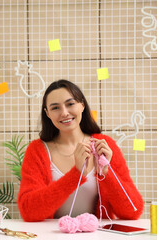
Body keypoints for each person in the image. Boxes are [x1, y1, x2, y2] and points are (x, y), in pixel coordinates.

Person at [17, 79, 144, 222]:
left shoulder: (105, 146)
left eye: (70, 104)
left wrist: (106, 172)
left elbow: (133, 211)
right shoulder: (37, 150)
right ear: (47, 113)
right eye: (55, 108)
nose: (64, 113)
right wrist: (76, 174)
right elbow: (29, 212)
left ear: (82, 105)